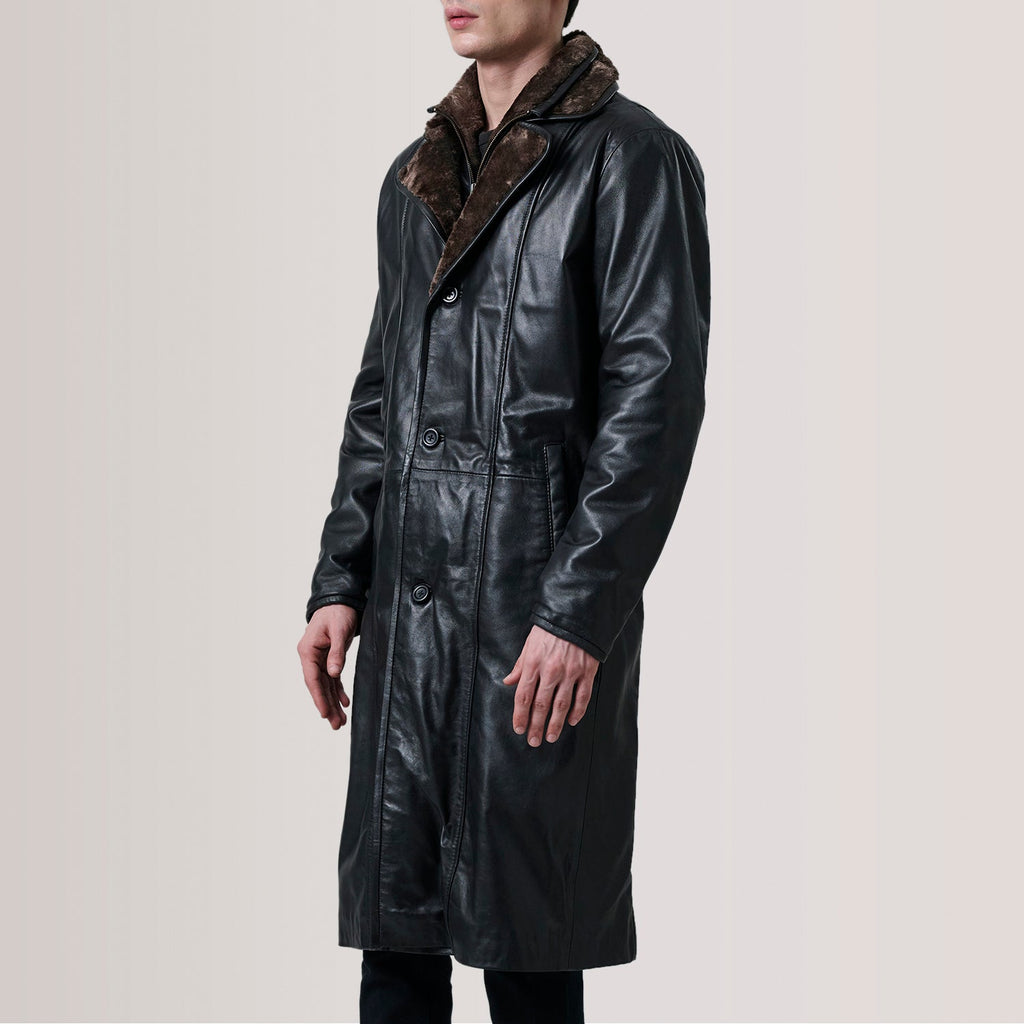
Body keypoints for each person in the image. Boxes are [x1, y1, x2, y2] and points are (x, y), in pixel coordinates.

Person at [296, 1, 710, 1020]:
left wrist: (578, 610)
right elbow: (381, 394)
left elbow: (653, 405)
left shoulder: (632, 159)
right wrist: (341, 579)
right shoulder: (415, 175)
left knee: (526, 954)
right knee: (396, 953)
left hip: (530, 615)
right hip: (408, 625)